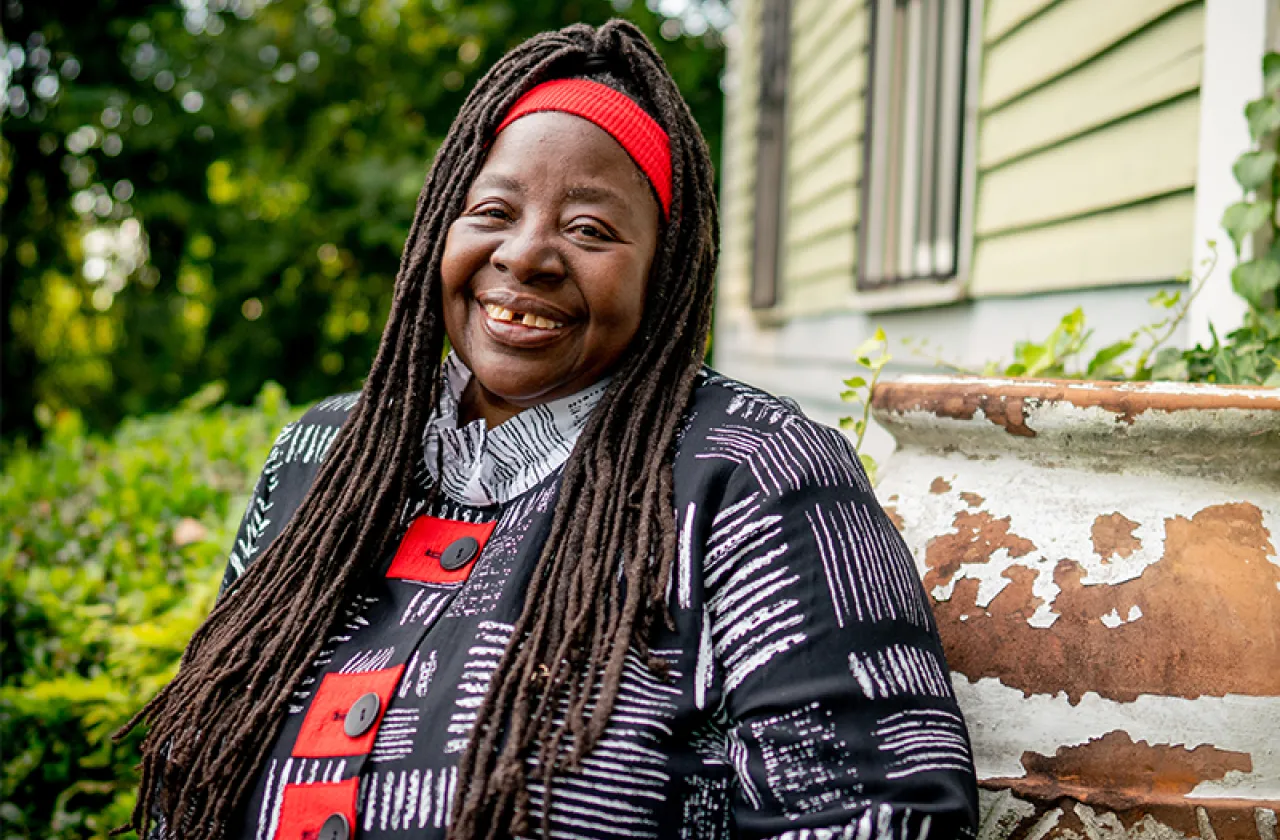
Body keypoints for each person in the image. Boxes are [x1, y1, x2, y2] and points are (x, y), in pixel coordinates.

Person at [119, 20, 978, 840]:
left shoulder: (754, 470)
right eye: (493, 211)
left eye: (590, 229)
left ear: (665, 272)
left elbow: (881, 813)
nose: (525, 255)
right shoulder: (318, 460)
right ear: (439, 236)